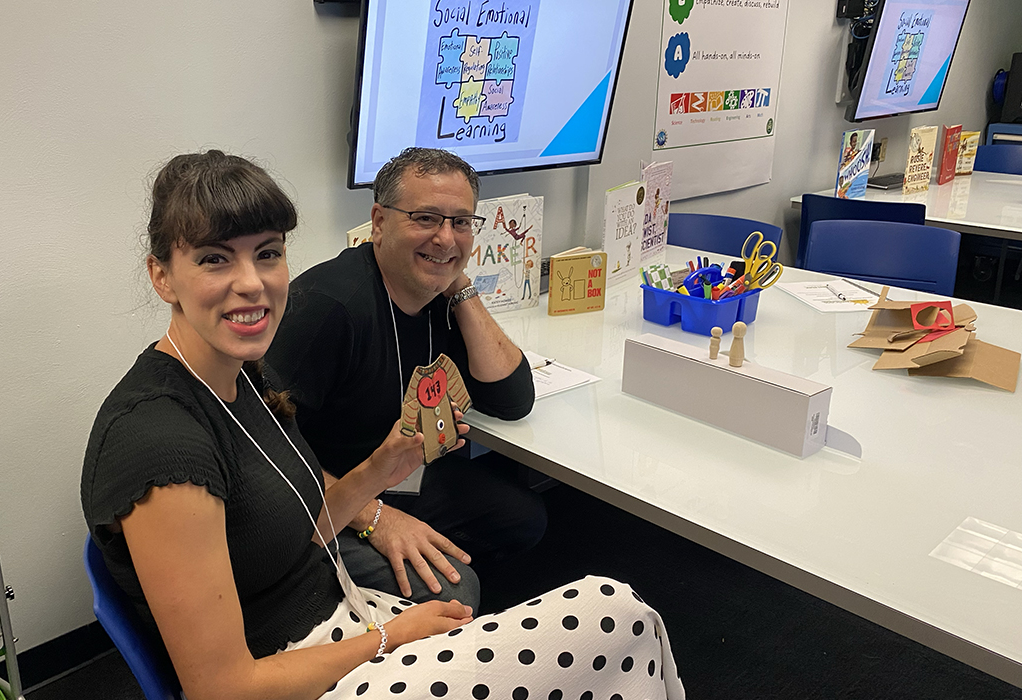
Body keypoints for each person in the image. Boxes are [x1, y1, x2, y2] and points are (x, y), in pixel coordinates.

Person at [81, 150, 684, 700]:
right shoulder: (160, 444)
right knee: (615, 611)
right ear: (162, 276)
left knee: (584, 605)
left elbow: (301, 534)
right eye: (215, 259)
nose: (252, 282)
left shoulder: (243, 383)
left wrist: (377, 472)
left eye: (268, 253)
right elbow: (221, 688)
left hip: (339, 619)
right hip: (307, 670)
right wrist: (391, 638)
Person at [266, 148, 546, 610]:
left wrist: (458, 283)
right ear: (378, 222)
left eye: (461, 223)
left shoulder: (437, 292)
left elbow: (512, 398)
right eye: (426, 218)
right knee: (458, 591)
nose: (445, 237)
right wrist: (377, 518)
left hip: (403, 478)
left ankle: (404, 594)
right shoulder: (328, 307)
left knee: (522, 518)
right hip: (324, 502)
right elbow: (266, 450)